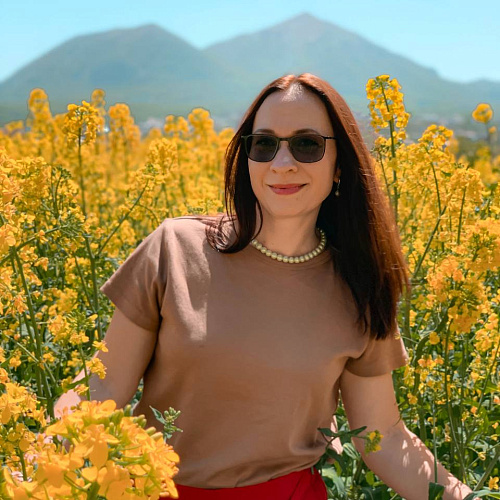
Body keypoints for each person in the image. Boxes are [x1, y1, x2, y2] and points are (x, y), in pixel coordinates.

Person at [54, 73, 478, 499]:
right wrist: (44, 458)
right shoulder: (175, 248)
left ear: (340, 166)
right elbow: (104, 386)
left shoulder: (360, 286)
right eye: (264, 144)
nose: (281, 163)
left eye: (307, 145)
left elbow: (384, 436)